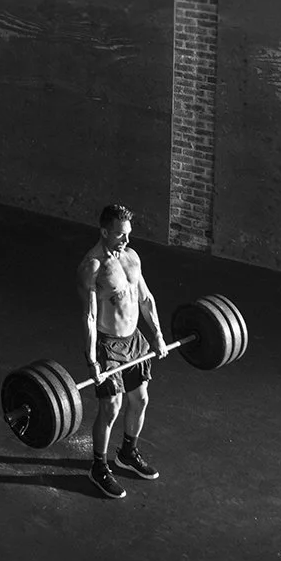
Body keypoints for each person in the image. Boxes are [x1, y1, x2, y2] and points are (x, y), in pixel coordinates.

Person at [76, 202, 168, 499]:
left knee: (140, 398)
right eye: (119, 235)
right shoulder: (92, 266)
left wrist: (157, 334)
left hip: (134, 340)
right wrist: (92, 361)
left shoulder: (131, 257)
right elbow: (90, 317)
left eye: (128, 234)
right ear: (104, 232)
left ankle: (127, 452)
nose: (126, 240)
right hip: (108, 344)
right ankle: (99, 467)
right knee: (111, 407)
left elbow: (145, 298)